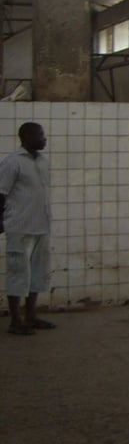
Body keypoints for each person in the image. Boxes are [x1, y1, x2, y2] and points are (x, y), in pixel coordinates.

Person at [0, 122, 55, 335]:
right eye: (41, 135)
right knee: (18, 272)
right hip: (20, 227)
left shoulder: (43, 162)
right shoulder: (13, 162)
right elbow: (1, 193)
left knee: (38, 273)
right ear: (28, 137)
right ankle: (16, 321)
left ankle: (31, 316)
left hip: (41, 225)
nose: (45, 139)